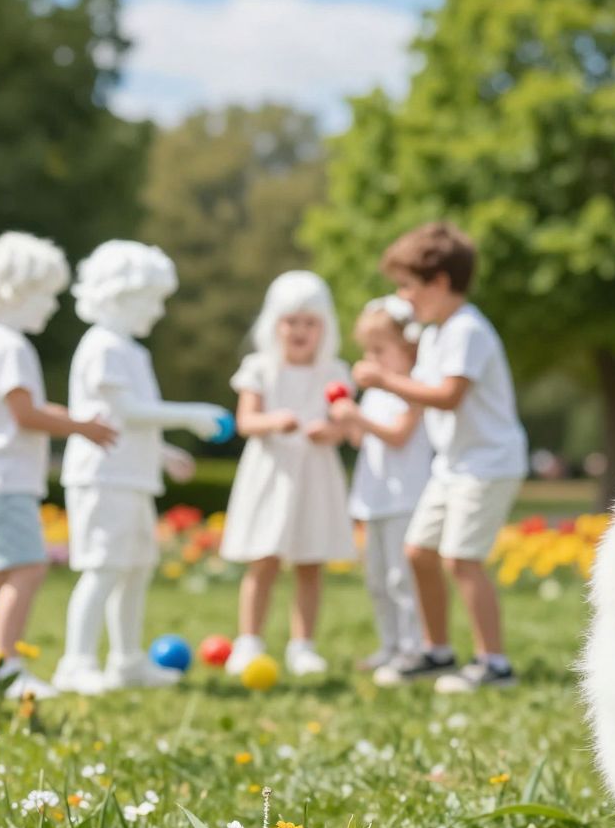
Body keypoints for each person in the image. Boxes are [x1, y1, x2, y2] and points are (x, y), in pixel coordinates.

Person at [352, 222, 529, 693]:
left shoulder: (467, 329)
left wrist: (382, 381)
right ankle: (437, 651)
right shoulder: (434, 333)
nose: (403, 296)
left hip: (488, 463)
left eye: (408, 285)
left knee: (461, 560)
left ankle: (494, 663)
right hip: (452, 464)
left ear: (440, 282)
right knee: (419, 551)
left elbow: (448, 395)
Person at [54, 240, 233, 695]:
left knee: (135, 569)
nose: (156, 312)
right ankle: (76, 663)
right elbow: (125, 411)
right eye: (151, 301)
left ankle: (126, 661)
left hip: (131, 477)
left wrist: (162, 453)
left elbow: (133, 421)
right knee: (104, 569)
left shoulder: (132, 351)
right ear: (120, 295)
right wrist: (190, 414)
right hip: (102, 477)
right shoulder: (103, 346)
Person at [0, 232, 115, 699]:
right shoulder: (10, 347)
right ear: (17, 292)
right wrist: (80, 426)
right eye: (46, 295)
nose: (51, 305)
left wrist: (76, 421)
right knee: (28, 568)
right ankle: (4, 666)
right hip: (2, 478)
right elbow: (26, 414)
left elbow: (24, 406)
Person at [219, 270, 356, 679]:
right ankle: (249, 641)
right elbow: (245, 421)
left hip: (314, 473)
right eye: (291, 321)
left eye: (310, 323)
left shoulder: (334, 372)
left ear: (324, 328)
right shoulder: (259, 368)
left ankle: (303, 645)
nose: (300, 331)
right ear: (273, 324)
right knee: (264, 559)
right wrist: (273, 421)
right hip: (271, 473)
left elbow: (343, 427)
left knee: (310, 561)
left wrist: (326, 431)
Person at [329, 297, 434, 681]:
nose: (370, 359)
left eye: (379, 350)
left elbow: (399, 435)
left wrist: (357, 417)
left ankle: (413, 647)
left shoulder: (413, 391)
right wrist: (346, 418)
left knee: (401, 577)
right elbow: (361, 440)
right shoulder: (373, 394)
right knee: (377, 578)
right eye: (367, 351)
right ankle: (390, 644)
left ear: (407, 350)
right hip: (373, 498)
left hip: (405, 497)